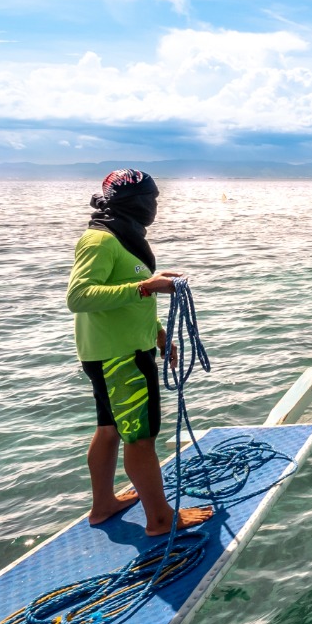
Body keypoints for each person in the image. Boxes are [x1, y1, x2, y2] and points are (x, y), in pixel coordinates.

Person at [67, 170, 212, 536]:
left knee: (110, 428)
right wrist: (147, 286)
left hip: (118, 349)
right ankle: (161, 519)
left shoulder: (123, 236)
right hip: (121, 357)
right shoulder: (100, 240)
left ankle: (103, 505)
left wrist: (161, 336)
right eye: (152, 199)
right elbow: (79, 296)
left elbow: (127, 296)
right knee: (140, 436)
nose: (156, 206)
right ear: (134, 201)